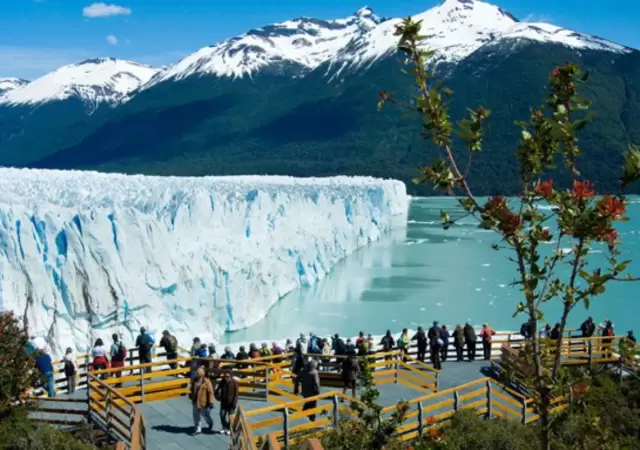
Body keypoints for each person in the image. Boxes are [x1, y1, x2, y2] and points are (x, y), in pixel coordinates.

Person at [190, 366, 214, 435]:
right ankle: (198, 429)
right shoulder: (194, 380)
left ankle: (210, 422)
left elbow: (210, 392)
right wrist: (191, 394)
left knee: (205, 415)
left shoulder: (206, 381)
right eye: (197, 373)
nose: (197, 374)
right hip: (195, 401)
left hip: (203, 401)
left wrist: (211, 402)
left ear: (202, 374)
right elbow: (192, 389)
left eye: (198, 373)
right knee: (196, 415)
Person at [215, 369, 239, 435]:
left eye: (227, 377)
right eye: (225, 376)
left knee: (230, 417)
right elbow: (217, 390)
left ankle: (229, 428)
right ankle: (224, 427)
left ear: (231, 377)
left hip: (231, 403)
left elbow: (236, 394)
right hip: (223, 402)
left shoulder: (234, 383)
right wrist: (217, 397)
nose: (226, 378)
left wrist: (234, 403)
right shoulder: (222, 382)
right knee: (222, 415)